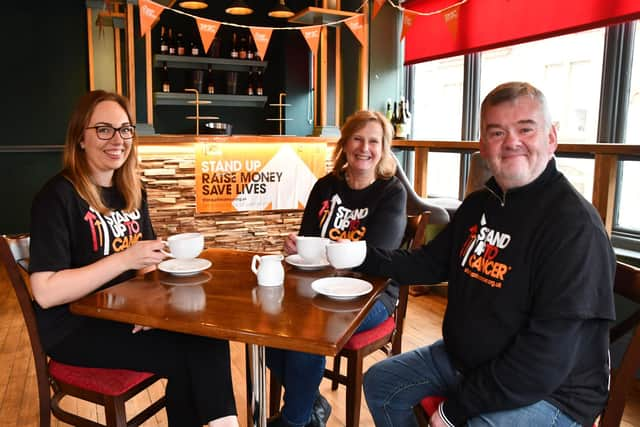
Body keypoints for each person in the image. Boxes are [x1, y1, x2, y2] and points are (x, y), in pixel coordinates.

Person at [360, 82, 616, 427]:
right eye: (497, 132)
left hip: (553, 392)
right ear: (483, 145)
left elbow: (544, 359)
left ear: (551, 137)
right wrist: (360, 255)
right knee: (381, 383)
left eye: (526, 129)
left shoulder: (574, 228)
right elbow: (428, 263)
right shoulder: (481, 203)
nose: (511, 142)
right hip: (465, 361)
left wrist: (454, 410)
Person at [28, 90, 239, 427]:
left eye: (125, 129)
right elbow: (45, 292)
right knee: (196, 354)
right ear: (80, 138)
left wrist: (150, 307)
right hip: (73, 328)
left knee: (205, 338)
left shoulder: (132, 190)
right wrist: (124, 259)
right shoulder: (57, 197)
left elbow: (147, 262)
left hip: (119, 314)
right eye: (104, 129)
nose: (118, 139)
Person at [267, 110, 408, 427]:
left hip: (372, 295)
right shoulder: (325, 186)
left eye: (374, 141)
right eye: (358, 138)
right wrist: (297, 248)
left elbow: (378, 255)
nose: (365, 147)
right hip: (318, 288)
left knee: (312, 330)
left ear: (384, 148)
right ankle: (311, 405)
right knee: (271, 324)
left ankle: (295, 421)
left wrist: (324, 251)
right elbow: (308, 237)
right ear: (345, 144)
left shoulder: (391, 191)